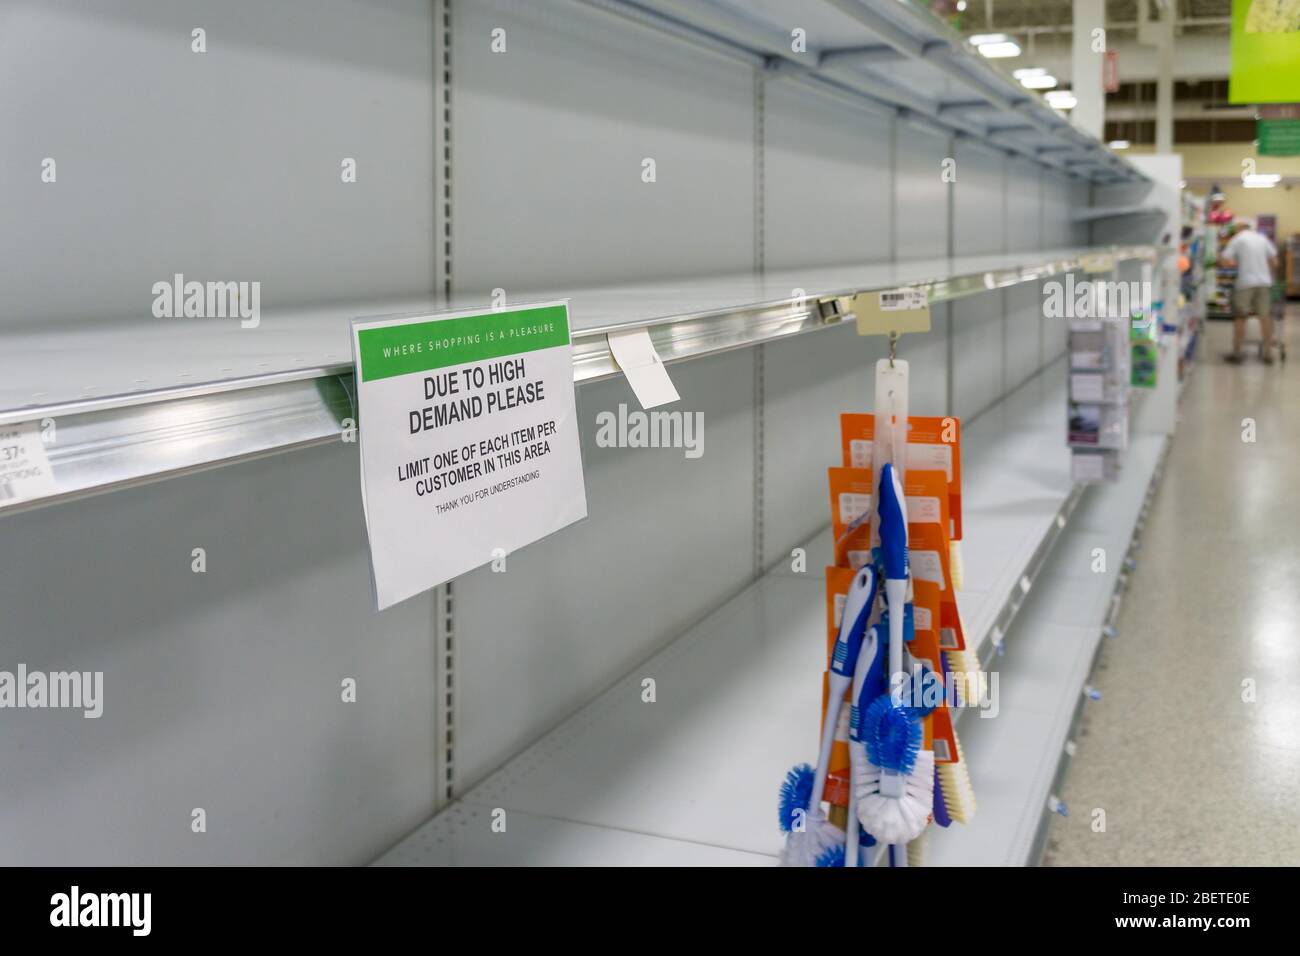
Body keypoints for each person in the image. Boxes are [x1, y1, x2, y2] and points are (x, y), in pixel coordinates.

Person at [1219, 221, 1279, 364]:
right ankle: (1268, 354)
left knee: (1241, 318)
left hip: (1245, 283)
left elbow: (1225, 261)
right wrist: (1264, 272)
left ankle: (1237, 353)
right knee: (1265, 318)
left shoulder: (1237, 239)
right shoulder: (1262, 239)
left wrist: (1234, 263)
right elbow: (1275, 262)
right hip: (1264, 283)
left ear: (1239, 229)